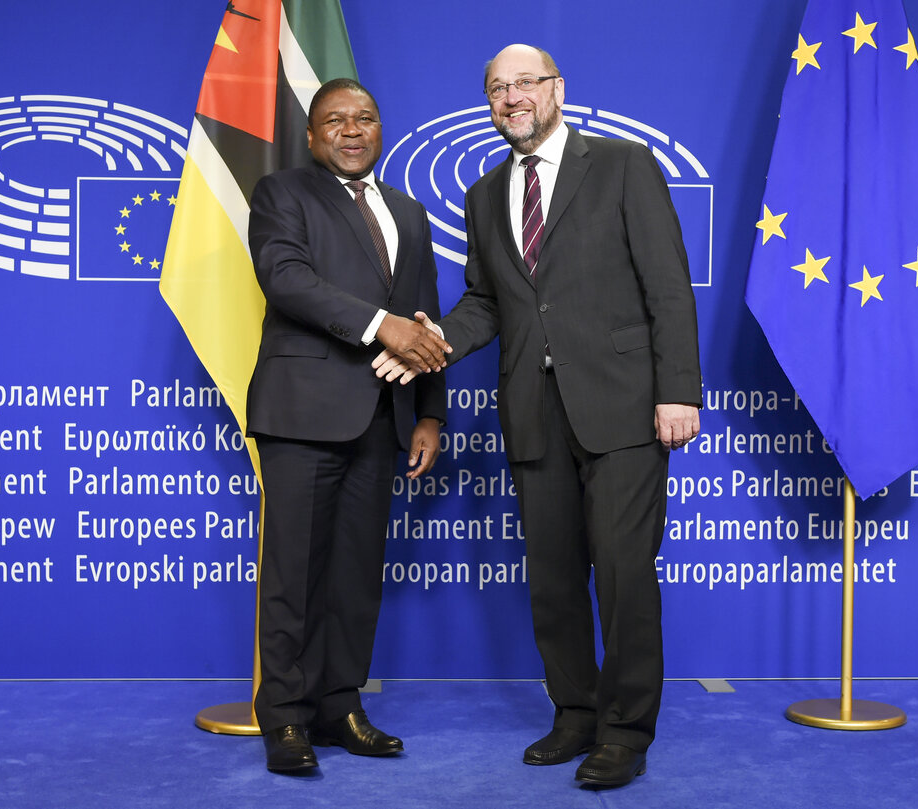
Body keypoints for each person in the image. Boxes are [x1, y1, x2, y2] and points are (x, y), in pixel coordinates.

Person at [375, 44, 702, 787]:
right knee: (553, 579)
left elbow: (669, 287)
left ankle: (624, 729)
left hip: (622, 408)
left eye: (524, 82)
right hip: (532, 409)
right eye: (497, 88)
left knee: (621, 575)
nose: (510, 96)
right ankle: (574, 713)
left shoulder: (624, 165)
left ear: (557, 89)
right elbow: (489, 302)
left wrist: (679, 389)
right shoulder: (485, 194)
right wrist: (431, 343)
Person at [246, 77, 451, 775]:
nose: (353, 129)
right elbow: (286, 278)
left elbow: (423, 319)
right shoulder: (281, 195)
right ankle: (286, 718)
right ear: (312, 136)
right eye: (336, 120)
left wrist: (429, 411)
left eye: (365, 117)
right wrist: (378, 325)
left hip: (381, 418)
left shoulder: (408, 210)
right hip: (302, 413)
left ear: (380, 129)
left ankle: (340, 706)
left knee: (356, 575)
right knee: (295, 574)